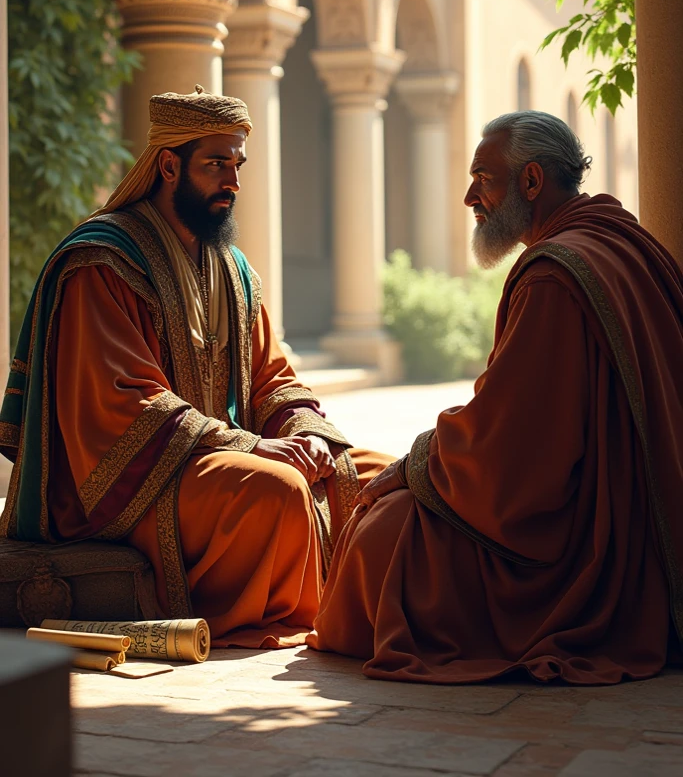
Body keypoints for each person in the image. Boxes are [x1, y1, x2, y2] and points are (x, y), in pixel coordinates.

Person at [0, 86, 392, 646]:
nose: (232, 181)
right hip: (127, 483)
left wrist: (308, 434)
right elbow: (124, 408)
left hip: (211, 462)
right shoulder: (101, 263)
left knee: (376, 478)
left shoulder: (232, 269)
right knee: (277, 490)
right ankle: (296, 617)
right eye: (215, 164)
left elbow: (273, 378)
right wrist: (249, 446)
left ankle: (368, 612)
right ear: (167, 165)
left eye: (237, 165)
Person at [310, 110, 683, 684]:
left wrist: (415, 466)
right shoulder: (621, 238)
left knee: (380, 537)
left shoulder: (553, 277)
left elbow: (514, 455)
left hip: (583, 548)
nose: (468, 197)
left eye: (483, 178)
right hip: (637, 523)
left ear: (531, 182)